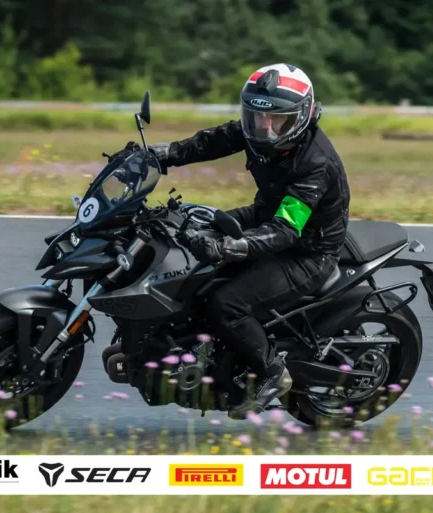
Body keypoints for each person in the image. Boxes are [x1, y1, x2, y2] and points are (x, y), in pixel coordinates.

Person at [149, 63, 351, 419]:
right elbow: (211, 141)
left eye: (277, 121)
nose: (264, 128)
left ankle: (273, 372)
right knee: (186, 233)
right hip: (263, 216)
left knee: (227, 303)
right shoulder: (257, 129)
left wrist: (227, 247)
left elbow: (285, 230)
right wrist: (161, 155)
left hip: (307, 252)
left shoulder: (315, 164)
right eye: (256, 118)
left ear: (301, 117)